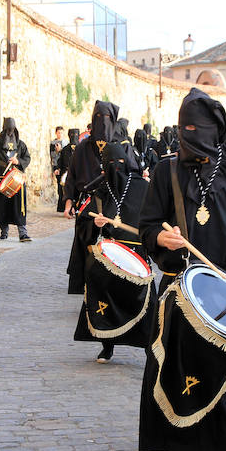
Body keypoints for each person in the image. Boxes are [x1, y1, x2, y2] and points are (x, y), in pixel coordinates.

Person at [138, 88, 226, 451]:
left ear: (215, 131)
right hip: (180, 287)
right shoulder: (166, 172)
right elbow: (147, 226)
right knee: (178, 368)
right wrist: (162, 239)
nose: (188, 137)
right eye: (184, 129)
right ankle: (177, 442)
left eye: (196, 130)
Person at [72, 142, 153, 362]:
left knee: (144, 303)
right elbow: (82, 223)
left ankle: (148, 346)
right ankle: (107, 346)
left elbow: (153, 217)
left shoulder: (143, 188)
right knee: (106, 302)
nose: (115, 167)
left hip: (136, 253)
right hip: (109, 256)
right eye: (110, 163)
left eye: (119, 162)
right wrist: (95, 224)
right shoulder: (100, 191)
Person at [64, 102, 137, 293]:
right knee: (85, 241)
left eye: (106, 118)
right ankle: (84, 281)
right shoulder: (83, 147)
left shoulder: (122, 145)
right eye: (98, 117)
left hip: (114, 201)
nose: (102, 122)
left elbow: (132, 172)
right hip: (88, 202)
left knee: (113, 242)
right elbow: (72, 176)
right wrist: (69, 202)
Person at [0, 117, 32, 242]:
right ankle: (4, 232)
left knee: (19, 207)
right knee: (2, 207)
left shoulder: (20, 144)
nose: (10, 132)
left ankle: (23, 233)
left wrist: (18, 161)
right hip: (1, 180)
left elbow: (27, 158)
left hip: (17, 181)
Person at [50, 126, 68, 210]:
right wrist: (55, 168)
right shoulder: (53, 143)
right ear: (56, 133)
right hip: (57, 165)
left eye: (61, 132)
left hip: (65, 166)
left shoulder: (66, 142)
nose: (60, 134)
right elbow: (53, 156)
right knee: (60, 186)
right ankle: (60, 206)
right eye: (58, 133)